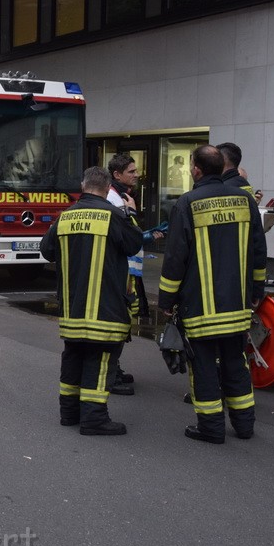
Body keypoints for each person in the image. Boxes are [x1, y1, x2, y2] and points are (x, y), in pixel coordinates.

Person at [158, 145, 267, 444]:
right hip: (237, 304)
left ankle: (211, 428)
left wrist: (166, 301)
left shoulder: (187, 203)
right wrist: (256, 292)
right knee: (236, 364)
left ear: (195, 169)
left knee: (204, 367)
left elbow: (175, 259)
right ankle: (245, 426)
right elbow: (259, 252)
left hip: (201, 308)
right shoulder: (245, 200)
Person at [40, 166, 143, 435]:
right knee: (100, 360)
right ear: (108, 187)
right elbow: (134, 244)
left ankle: (69, 413)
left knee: (73, 356)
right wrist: (131, 213)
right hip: (105, 307)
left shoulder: (65, 217)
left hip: (72, 308)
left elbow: (46, 250)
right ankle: (94, 419)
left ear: (83, 186)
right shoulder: (114, 216)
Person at [104, 154, 165, 396]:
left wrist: (147, 234)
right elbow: (121, 234)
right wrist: (140, 229)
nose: (136, 174)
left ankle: (114, 368)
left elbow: (129, 233)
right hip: (122, 271)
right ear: (117, 175)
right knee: (119, 323)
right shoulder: (112, 198)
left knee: (125, 322)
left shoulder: (123, 196)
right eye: (131, 171)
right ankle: (110, 373)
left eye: (135, 170)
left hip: (130, 270)